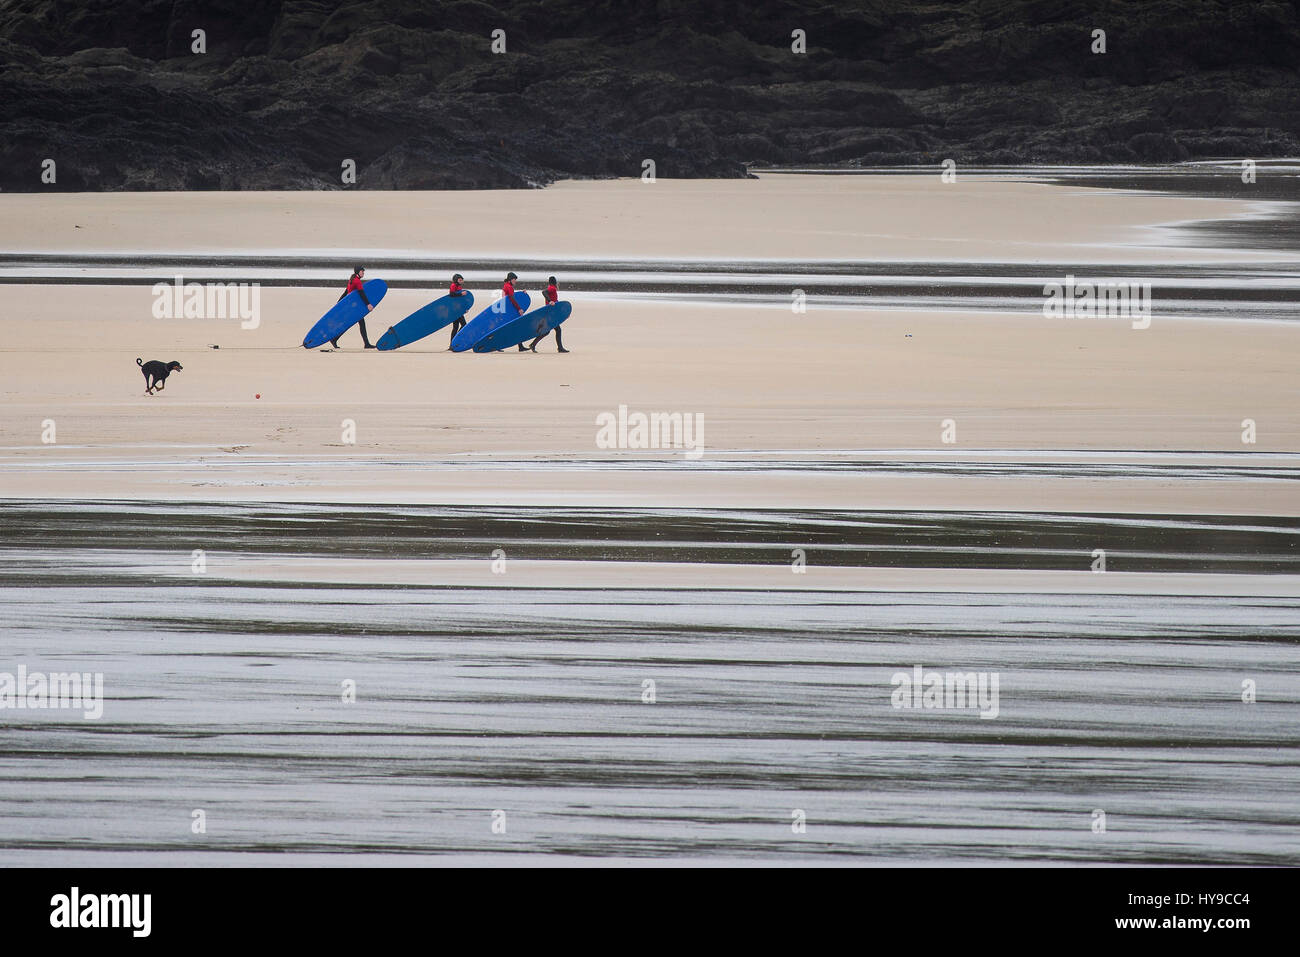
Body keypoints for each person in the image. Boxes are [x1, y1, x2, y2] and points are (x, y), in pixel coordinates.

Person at [332, 266, 375, 349]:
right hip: (354, 307)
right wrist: (368, 304)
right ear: (358, 272)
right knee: (355, 324)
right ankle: (334, 339)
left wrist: (339, 303)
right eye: (362, 271)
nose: (363, 273)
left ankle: (366, 344)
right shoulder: (357, 281)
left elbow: (345, 292)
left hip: (350, 306)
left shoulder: (352, 279)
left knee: (357, 323)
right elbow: (361, 293)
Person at [529, 275, 568, 353]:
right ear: (555, 282)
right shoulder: (552, 288)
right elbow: (544, 292)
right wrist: (550, 301)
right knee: (556, 330)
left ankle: (533, 344)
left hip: (550, 312)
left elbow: (556, 302)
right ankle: (560, 348)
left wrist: (564, 313)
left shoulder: (551, 288)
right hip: (550, 313)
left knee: (548, 331)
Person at [502, 271, 529, 352]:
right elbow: (512, 299)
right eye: (514, 279)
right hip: (510, 311)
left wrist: (521, 293)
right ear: (510, 279)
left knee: (516, 327)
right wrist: (519, 309)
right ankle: (520, 346)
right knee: (515, 328)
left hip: (507, 309)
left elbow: (511, 295)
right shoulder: (509, 287)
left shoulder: (507, 285)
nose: (515, 281)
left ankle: (520, 346)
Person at [447, 273, 468, 348]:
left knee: (456, 327)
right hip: (455, 309)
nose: (461, 281)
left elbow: (460, 300)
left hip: (458, 309)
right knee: (464, 325)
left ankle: (452, 344)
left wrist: (465, 308)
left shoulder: (459, 286)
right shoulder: (453, 285)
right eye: (460, 280)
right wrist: (461, 294)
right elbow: (451, 294)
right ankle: (456, 340)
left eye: (462, 280)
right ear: (456, 280)